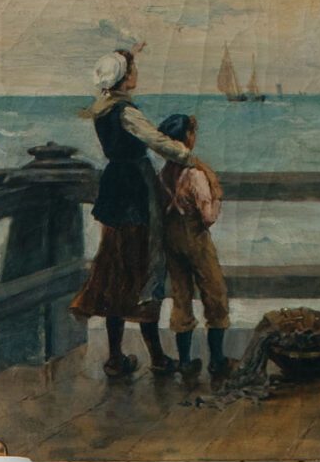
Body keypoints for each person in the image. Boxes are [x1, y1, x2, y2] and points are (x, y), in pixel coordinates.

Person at [70, 47, 196, 378]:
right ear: (126, 78)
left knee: (116, 269)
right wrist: (188, 158)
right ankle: (156, 356)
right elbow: (156, 140)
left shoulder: (101, 109)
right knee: (145, 267)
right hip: (136, 191)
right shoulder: (126, 112)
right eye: (134, 70)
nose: (137, 75)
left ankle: (115, 357)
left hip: (114, 188)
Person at [154, 112, 231, 380]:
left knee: (181, 296)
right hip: (195, 238)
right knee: (215, 294)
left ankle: (185, 361)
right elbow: (208, 216)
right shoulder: (196, 174)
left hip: (171, 240)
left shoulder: (163, 173)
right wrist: (218, 196)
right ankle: (217, 360)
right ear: (187, 137)